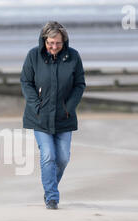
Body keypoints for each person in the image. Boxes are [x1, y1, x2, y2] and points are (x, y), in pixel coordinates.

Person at [20, 21, 86, 210]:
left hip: (65, 116)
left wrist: (69, 107)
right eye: (50, 43)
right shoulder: (34, 55)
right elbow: (25, 81)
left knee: (63, 158)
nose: (54, 47)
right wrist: (36, 104)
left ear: (64, 41)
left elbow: (80, 84)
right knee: (48, 155)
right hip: (39, 116)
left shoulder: (73, 57)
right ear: (44, 41)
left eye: (57, 43)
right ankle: (51, 197)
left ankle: (50, 187)